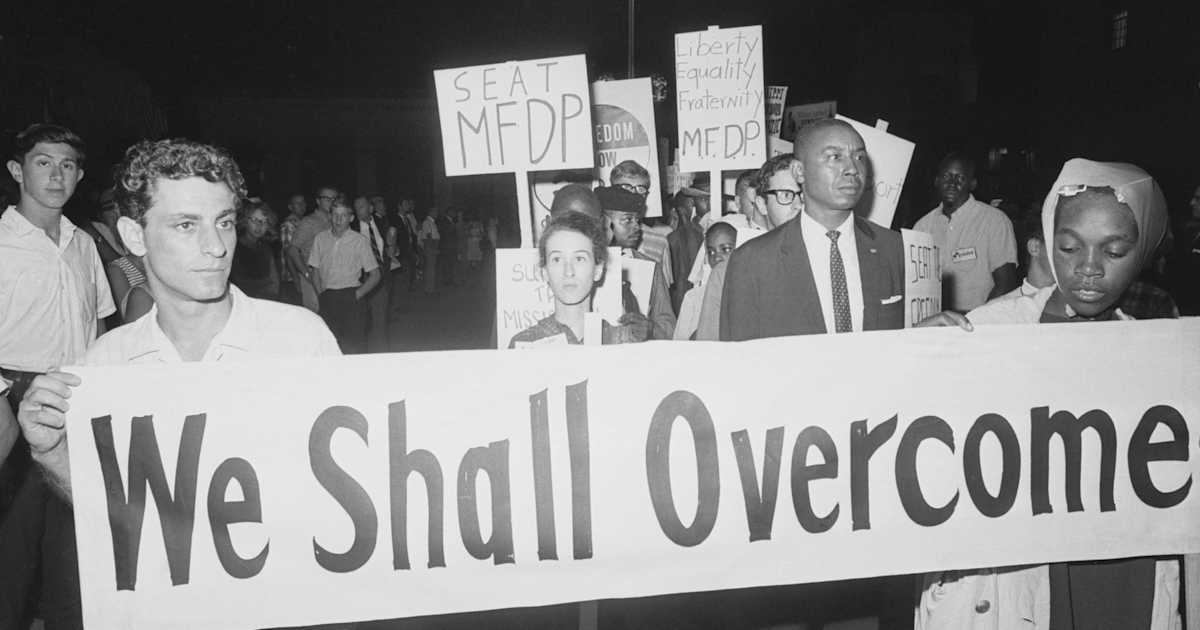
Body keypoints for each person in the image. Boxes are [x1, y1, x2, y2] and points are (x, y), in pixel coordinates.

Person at [12, 138, 341, 630]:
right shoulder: (107, 365)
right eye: (187, 225)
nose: (217, 246)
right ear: (134, 235)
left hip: (281, 603)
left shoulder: (299, 338)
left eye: (224, 221)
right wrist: (52, 454)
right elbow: (112, 511)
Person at [916, 158, 1179, 630]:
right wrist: (913, 357)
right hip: (1024, 572)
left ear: (1140, 255)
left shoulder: (1163, 357)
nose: (1089, 269)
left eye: (1114, 251)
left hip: (1120, 570)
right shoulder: (992, 331)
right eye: (1069, 248)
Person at [721, 118, 906, 341]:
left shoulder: (894, 249)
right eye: (834, 157)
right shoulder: (752, 261)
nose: (852, 169)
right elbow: (739, 362)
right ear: (799, 171)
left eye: (859, 157)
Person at [509, 212, 635, 347]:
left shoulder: (623, 343)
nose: (568, 271)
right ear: (545, 271)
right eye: (557, 259)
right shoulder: (524, 344)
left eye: (579, 259)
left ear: (598, 270)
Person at [912, 153, 1019, 312]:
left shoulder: (995, 221)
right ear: (937, 181)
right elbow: (915, 286)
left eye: (960, 178)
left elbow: (1006, 285)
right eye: (947, 176)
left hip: (979, 327)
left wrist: (973, 322)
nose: (952, 183)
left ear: (973, 184)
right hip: (934, 327)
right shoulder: (922, 227)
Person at [598, 185, 676, 340]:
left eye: (637, 220)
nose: (636, 227)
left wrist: (651, 329)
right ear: (604, 222)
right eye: (627, 220)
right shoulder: (587, 265)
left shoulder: (650, 267)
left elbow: (670, 327)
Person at [309, 199, 380, 354]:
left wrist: (357, 294)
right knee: (330, 346)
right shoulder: (320, 239)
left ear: (351, 218)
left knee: (354, 347)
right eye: (335, 214)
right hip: (328, 297)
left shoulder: (359, 241)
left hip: (352, 297)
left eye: (343, 215)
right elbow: (314, 270)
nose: (339, 219)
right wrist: (320, 293)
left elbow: (375, 275)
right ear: (330, 216)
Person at [675, 222, 736, 340]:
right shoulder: (693, 298)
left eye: (726, 249)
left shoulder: (752, 291)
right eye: (711, 252)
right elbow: (679, 346)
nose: (717, 257)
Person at [287, 185, 337, 312]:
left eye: (334, 199)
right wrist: (307, 275)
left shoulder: (337, 221)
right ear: (318, 201)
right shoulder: (308, 222)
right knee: (318, 319)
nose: (331, 202)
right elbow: (292, 251)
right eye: (327, 198)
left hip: (333, 278)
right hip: (314, 279)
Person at [353, 195, 391, 352]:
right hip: (361, 279)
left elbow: (387, 247)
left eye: (361, 207)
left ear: (370, 208)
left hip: (381, 277)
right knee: (360, 321)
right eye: (356, 208)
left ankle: (381, 354)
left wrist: (392, 250)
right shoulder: (352, 228)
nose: (358, 211)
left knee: (380, 320)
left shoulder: (382, 223)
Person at [230, 198, 280, 300]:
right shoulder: (234, 247)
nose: (259, 226)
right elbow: (239, 283)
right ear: (244, 221)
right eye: (255, 220)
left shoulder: (266, 248)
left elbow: (275, 282)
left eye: (264, 221)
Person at [279, 192, 307, 303]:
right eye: (298, 203)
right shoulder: (288, 224)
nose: (302, 205)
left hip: (302, 276)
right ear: (290, 207)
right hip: (292, 278)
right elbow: (288, 252)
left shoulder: (304, 222)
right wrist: (296, 279)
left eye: (303, 202)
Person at [421, 206, 441, 293]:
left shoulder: (432, 222)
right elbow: (428, 237)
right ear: (430, 212)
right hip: (430, 247)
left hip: (433, 245)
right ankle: (428, 289)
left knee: (431, 269)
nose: (437, 214)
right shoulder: (427, 222)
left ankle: (431, 288)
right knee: (430, 269)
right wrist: (433, 249)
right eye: (435, 212)